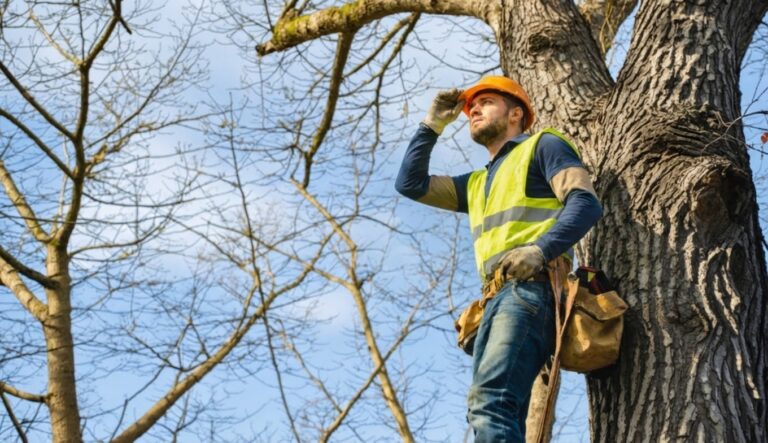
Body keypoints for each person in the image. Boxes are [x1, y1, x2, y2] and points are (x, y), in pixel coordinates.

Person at [395, 76, 602, 442]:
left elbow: (585, 203)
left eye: (486, 102)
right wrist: (433, 124)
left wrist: (540, 250)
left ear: (515, 114)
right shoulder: (475, 184)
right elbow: (410, 183)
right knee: (498, 411)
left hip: (530, 292)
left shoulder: (543, 145)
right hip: (496, 300)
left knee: (488, 403)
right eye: (471, 106)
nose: (474, 109)